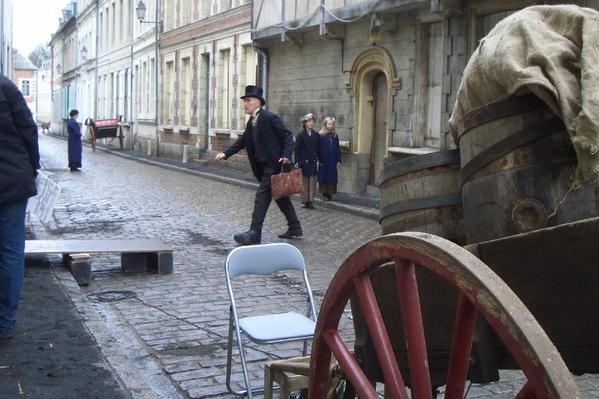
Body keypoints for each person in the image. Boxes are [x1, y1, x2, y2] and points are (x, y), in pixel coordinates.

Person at [215, 85, 303, 245]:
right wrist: (226, 153)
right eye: (245, 101)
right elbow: (242, 141)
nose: (245, 104)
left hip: (273, 166)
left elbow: (288, 136)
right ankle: (295, 227)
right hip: (263, 168)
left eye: (248, 100)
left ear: (257, 102)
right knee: (281, 198)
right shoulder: (251, 122)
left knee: (261, 197)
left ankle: (254, 233)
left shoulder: (269, 117)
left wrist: (286, 155)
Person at [0, 73, 40, 339]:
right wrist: (32, 165)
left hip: (12, 180)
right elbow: (28, 129)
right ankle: (5, 322)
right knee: (11, 251)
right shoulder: (5, 87)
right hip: (12, 181)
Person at [294, 113, 320, 209]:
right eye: (309, 121)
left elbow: (318, 149)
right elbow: (297, 149)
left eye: (312, 121)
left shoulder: (316, 135)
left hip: (313, 161)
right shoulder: (300, 135)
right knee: (305, 182)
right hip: (304, 162)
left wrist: (320, 159)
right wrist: (297, 161)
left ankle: (311, 200)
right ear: (305, 123)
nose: (311, 123)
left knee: (312, 182)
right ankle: (304, 200)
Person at [318, 116, 342, 201]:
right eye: (329, 124)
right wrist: (320, 159)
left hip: (332, 160)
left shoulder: (335, 136)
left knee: (331, 176)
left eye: (332, 124)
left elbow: (338, 149)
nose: (331, 125)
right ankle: (324, 193)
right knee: (324, 176)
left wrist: (338, 160)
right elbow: (318, 149)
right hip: (324, 160)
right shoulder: (321, 136)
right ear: (325, 125)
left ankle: (330, 193)